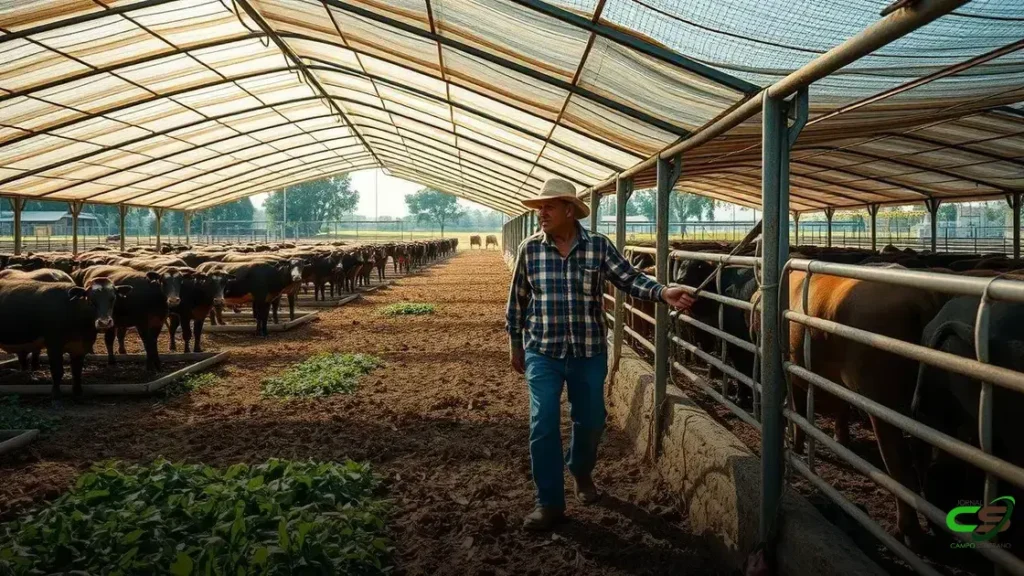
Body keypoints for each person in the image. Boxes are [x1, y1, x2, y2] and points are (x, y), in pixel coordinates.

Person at [505, 177, 696, 531]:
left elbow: (629, 279)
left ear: (569, 210)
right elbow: (517, 300)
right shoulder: (530, 250)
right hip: (543, 352)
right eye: (539, 208)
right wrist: (515, 343)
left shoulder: (598, 246)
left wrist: (663, 291)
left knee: (591, 421)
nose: (541, 213)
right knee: (543, 422)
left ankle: (580, 469)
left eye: (548, 207)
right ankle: (548, 502)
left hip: (588, 351)